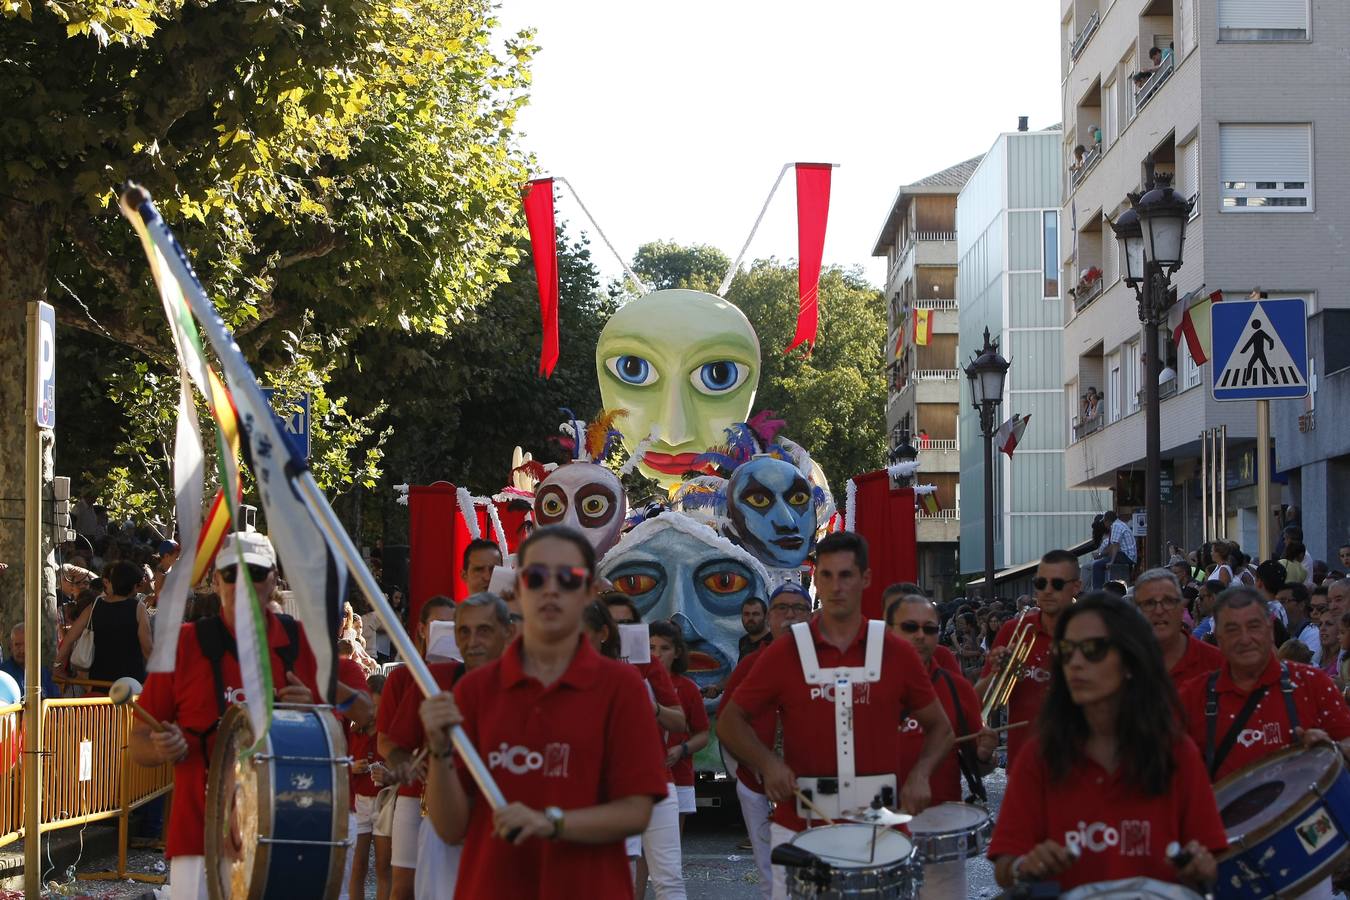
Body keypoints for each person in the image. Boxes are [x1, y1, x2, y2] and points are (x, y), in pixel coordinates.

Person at [417, 526, 669, 900]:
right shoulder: (475, 690)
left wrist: (551, 822)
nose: (551, 589)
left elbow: (635, 813)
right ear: (517, 591)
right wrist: (439, 750)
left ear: (588, 593)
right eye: (536, 577)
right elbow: (451, 827)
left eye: (568, 578)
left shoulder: (622, 688)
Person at [718, 531, 954, 898]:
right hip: (799, 824)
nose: (835, 586)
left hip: (880, 826)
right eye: (826, 575)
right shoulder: (784, 653)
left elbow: (940, 728)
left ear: (866, 578)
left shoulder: (897, 653)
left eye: (846, 575)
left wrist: (921, 773)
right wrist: (768, 764)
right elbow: (730, 722)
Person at [128, 532, 351, 900]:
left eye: (256, 572)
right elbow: (138, 745)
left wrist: (311, 712)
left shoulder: (301, 645)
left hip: (286, 832)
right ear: (215, 581)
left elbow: (336, 741)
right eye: (231, 574)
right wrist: (160, 747)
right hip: (199, 836)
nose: (243, 583)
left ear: (274, 580)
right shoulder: (183, 644)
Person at [988, 594, 1224, 891]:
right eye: (1066, 651)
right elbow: (1005, 866)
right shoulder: (1040, 755)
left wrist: (1199, 866)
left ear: (1129, 661)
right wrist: (1025, 865)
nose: (1075, 663)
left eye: (1093, 650)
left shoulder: (1176, 752)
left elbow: (1210, 860)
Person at [1179, 585, 1350, 899]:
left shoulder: (1312, 683)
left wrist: (1332, 749)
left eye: (1254, 626)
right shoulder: (1191, 696)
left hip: (1306, 859)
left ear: (1271, 630)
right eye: (1232, 629)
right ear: (1218, 637)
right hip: (1225, 865)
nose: (1245, 638)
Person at [384, 592, 514, 900]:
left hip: (506, 826)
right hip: (443, 828)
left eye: (484, 630)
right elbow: (397, 744)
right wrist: (404, 765)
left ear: (507, 633)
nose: (473, 641)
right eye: (464, 632)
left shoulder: (526, 687)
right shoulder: (433, 681)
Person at [717, 584, 812, 899]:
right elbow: (727, 723)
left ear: (811, 616)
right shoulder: (750, 664)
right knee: (770, 870)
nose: (789, 615)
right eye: (781, 608)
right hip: (756, 782)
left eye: (798, 608)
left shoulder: (823, 663)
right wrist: (757, 765)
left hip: (811, 787)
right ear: (770, 618)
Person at [603, 595, 687, 900]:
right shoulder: (585, 666)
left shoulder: (648, 664)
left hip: (656, 782)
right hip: (608, 789)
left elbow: (680, 721)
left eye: (626, 623)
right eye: (611, 623)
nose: (618, 630)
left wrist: (652, 707)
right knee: (618, 880)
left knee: (669, 879)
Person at [376, 595, 457, 900]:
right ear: (422, 629)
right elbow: (385, 741)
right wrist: (409, 761)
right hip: (415, 796)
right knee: (404, 886)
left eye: (453, 625)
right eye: (439, 624)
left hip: (457, 796)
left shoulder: (468, 676)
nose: (445, 631)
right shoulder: (402, 677)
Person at [976, 549, 1081, 767]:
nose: (1047, 591)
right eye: (1041, 583)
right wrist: (997, 671)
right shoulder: (1014, 630)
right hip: (1024, 765)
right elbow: (977, 700)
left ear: (1076, 587)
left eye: (1057, 584)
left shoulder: (1093, 630)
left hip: (1079, 765)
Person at [887, 596, 996, 802]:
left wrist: (984, 755)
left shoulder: (959, 689)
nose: (920, 636)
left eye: (929, 629)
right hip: (882, 825)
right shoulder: (865, 685)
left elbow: (979, 768)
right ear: (889, 631)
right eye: (910, 627)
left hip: (944, 823)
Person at [648, 621, 710, 831]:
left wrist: (681, 749)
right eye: (651, 648)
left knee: (671, 844)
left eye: (664, 648)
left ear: (676, 653)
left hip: (678, 775)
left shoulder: (688, 688)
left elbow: (703, 735)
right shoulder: (636, 683)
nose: (657, 654)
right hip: (644, 775)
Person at [56, 559, 152, 686]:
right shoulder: (138, 608)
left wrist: (58, 668)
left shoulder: (95, 605)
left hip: (98, 681)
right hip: (130, 684)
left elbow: (69, 639)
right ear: (133, 585)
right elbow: (147, 648)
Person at [1133, 569, 1222, 686]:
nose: (1159, 610)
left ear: (1181, 608)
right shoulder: (1123, 665)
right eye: (1149, 603)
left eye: (1168, 601)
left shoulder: (1216, 662)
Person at [349, 674, 389, 900]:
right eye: (370, 707)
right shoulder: (354, 733)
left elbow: (402, 767)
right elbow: (342, 764)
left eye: (379, 708)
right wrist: (352, 767)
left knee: (384, 866)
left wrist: (388, 775)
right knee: (358, 865)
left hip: (384, 802)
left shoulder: (389, 733)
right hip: (360, 802)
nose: (374, 714)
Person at [0, 623, 59, 699]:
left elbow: (54, 700)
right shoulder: (3, 674)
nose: (22, 650)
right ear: (11, 646)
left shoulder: (43, 672)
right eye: (17, 645)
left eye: (26, 645)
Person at [1278, 582, 1321, 665]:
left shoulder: (1313, 633)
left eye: (1283, 601)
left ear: (1301, 605)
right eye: (1277, 602)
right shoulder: (1284, 633)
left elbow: (1302, 667)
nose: (1279, 607)